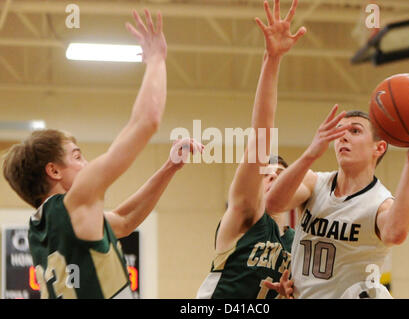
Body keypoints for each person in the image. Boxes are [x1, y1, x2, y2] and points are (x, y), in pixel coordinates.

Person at [2, 10, 203, 299]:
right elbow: (146, 122)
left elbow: (125, 220)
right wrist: (156, 59)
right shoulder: (77, 201)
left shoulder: (40, 229)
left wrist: (170, 167)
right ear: (54, 171)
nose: (86, 164)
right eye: (77, 156)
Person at [265, 106, 409, 298]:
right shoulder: (314, 183)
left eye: (355, 131)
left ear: (379, 147)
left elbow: (396, 234)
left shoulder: (379, 203)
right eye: (340, 131)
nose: (343, 137)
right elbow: (273, 204)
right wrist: (310, 153)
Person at [196, 0, 306, 299]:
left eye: (281, 175)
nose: (273, 179)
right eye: (267, 175)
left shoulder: (299, 243)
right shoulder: (245, 214)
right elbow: (261, 136)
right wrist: (272, 60)